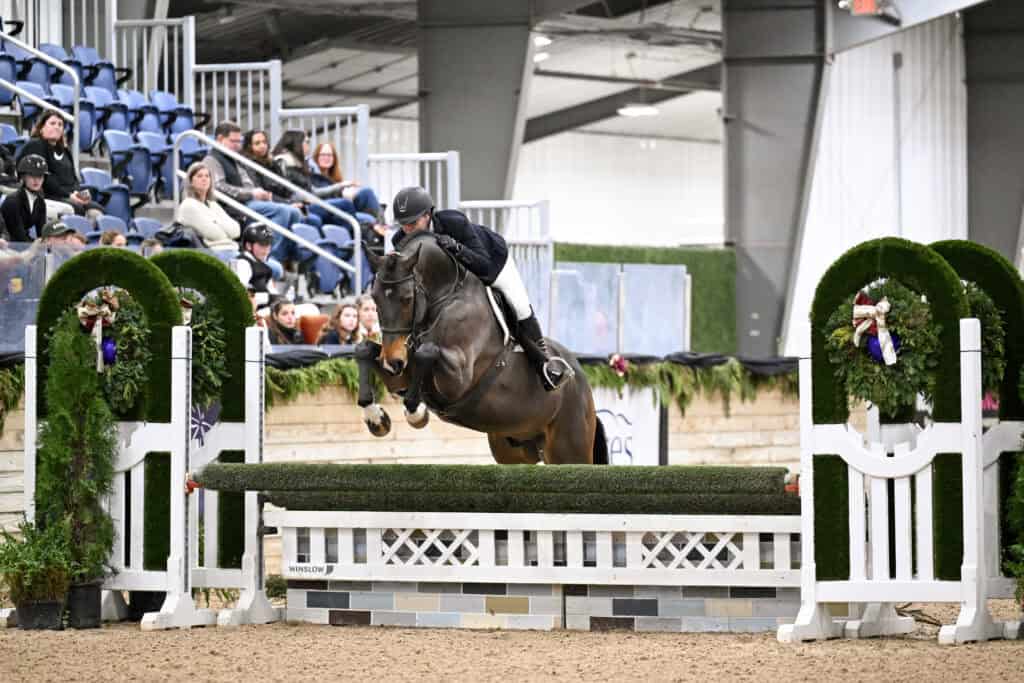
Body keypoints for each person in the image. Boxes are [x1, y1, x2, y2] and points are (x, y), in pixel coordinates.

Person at [391, 186, 571, 391]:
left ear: (427, 215)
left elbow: (483, 265)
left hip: (492, 262)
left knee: (519, 306)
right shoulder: (400, 241)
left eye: (413, 223)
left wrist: (457, 248)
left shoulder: (453, 222)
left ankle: (545, 365)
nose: (408, 230)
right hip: (450, 280)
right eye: (403, 225)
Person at [202, 121, 302, 262]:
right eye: (233, 141)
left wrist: (257, 193)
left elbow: (247, 182)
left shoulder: (235, 158)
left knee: (295, 212)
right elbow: (219, 187)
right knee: (283, 211)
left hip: (249, 202)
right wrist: (251, 193)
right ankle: (268, 258)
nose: (237, 145)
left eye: (239, 141)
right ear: (219, 139)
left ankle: (283, 258)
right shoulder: (211, 159)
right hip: (233, 207)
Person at [18, 110, 104, 220]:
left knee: (96, 210)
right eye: (52, 123)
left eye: (60, 124)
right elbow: (44, 179)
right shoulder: (36, 145)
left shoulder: (65, 151)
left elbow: (73, 178)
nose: (57, 127)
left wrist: (78, 194)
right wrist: (69, 195)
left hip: (68, 195)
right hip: (48, 195)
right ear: (41, 128)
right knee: (78, 209)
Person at [175, 162, 241, 251]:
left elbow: (236, 231)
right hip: (211, 252)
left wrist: (215, 221)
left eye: (207, 176)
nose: (204, 179)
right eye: (199, 176)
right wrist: (224, 227)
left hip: (230, 248)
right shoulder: (188, 205)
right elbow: (216, 234)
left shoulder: (212, 204)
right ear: (191, 182)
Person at [0, 154, 49, 242]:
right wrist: (35, 246)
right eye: (32, 175)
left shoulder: (40, 201)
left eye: (40, 176)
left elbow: (42, 234)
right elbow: (18, 235)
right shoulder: (13, 202)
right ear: (23, 177)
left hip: (23, 242)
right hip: (8, 243)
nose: (36, 180)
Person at [242, 129, 294, 204]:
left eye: (264, 142)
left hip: (284, 201)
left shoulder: (272, 163)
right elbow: (262, 193)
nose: (262, 146)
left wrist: (294, 200)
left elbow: (286, 187)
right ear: (249, 146)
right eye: (257, 143)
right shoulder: (248, 165)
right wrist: (288, 203)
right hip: (269, 203)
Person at [234, 224, 279, 311]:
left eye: (268, 245)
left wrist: (279, 299)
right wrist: (269, 298)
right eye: (262, 245)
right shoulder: (242, 263)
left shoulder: (265, 267)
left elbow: (273, 292)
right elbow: (239, 294)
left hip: (263, 309)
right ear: (248, 246)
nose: (266, 250)